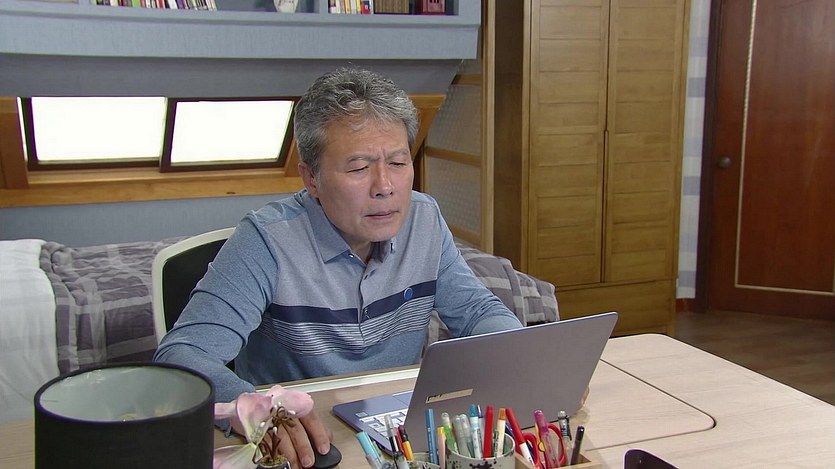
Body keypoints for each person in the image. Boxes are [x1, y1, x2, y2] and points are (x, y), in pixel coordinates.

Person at [154, 66, 523, 468]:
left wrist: (519, 357)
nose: (385, 186)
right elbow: (180, 356)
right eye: (359, 168)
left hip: (402, 438)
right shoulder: (265, 241)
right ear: (311, 178)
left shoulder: (425, 219)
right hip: (303, 445)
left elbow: (477, 311)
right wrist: (257, 410)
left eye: (398, 162)